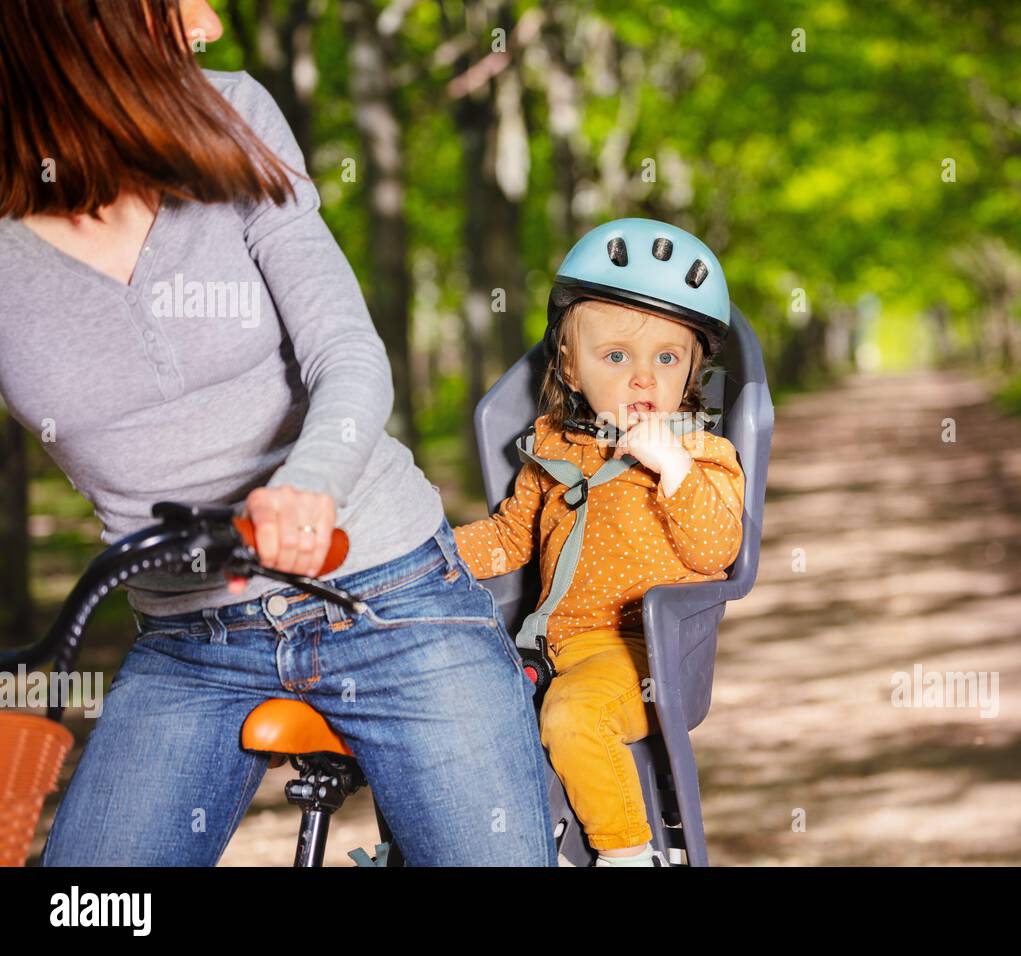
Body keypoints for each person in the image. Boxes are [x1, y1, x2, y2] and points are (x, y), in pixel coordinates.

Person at [0, 0, 554, 866]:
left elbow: (349, 352)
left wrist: (312, 482)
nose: (210, 21)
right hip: (189, 639)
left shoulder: (230, 121)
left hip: (386, 593)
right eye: (173, 2)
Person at [453, 219, 745, 866]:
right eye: (616, 356)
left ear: (694, 370)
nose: (643, 378)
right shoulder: (554, 448)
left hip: (649, 655)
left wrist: (674, 471)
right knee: (451, 715)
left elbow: (717, 550)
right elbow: (508, 540)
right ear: (569, 366)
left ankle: (627, 853)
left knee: (573, 717)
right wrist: (427, 555)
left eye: (666, 359)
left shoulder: (702, 454)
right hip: (556, 645)